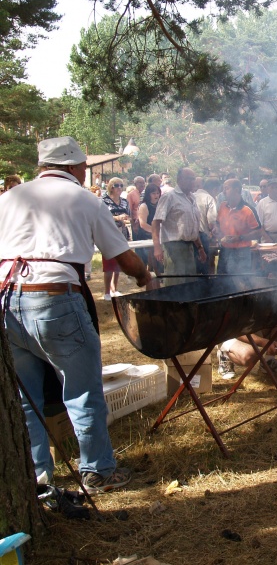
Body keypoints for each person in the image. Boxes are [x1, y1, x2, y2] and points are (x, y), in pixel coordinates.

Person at [0, 136, 151, 493]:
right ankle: (97, 471)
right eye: (83, 166)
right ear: (74, 167)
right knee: (82, 390)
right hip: (54, 299)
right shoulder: (85, 199)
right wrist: (145, 276)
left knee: (27, 399)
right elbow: (123, 254)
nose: (85, 171)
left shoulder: (8, 199)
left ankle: (38, 478)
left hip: (6, 301)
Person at [216, 259, 277, 379]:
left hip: (260, 332)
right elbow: (236, 330)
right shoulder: (251, 296)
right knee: (250, 356)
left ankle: (268, 362)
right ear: (271, 277)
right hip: (238, 335)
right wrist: (264, 342)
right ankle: (224, 352)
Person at [152, 167, 206, 280]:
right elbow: (156, 222)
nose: (193, 182)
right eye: (189, 179)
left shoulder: (192, 198)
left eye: (194, 179)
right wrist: (157, 247)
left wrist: (200, 248)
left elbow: (193, 226)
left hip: (190, 246)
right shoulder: (169, 197)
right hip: (174, 247)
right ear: (179, 179)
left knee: (190, 283)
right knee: (175, 282)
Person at [215, 178, 261, 274]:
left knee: (239, 282)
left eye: (226, 188)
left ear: (236, 190)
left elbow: (258, 233)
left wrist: (240, 237)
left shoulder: (248, 210)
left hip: (241, 253)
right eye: (223, 189)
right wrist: (216, 230)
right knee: (220, 281)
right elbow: (217, 224)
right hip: (224, 250)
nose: (223, 192)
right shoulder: (223, 206)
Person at [101, 177, 131, 300]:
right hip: (108, 234)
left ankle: (115, 289)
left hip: (121, 233)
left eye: (121, 185)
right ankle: (107, 292)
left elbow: (128, 214)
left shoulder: (124, 201)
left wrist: (126, 219)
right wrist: (117, 218)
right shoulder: (104, 201)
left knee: (118, 263)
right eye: (117, 185)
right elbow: (102, 216)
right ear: (111, 187)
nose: (119, 188)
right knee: (109, 264)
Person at [136, 183, 164, 274]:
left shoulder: (160, 205)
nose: (156, 195)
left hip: (158, 235)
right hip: (145, 235)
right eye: (153, 193)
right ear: (148, 194)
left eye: (157, 193)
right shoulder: (144, 206)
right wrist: (155, 231)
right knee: (148, 259)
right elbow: (143, 224)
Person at [193, 176, 217, 275]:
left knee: (194, 268)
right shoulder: (209, 198)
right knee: (204, 267)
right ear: (215, 189)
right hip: (202, 238)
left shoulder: (191, 196)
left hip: (190, 237)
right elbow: (211, 223)